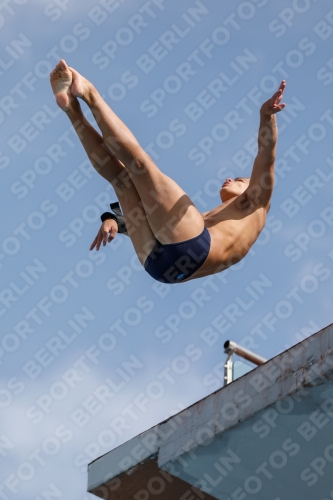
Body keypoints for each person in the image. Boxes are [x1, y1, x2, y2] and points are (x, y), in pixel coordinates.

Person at [50, 60, 286, 284]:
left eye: (239, 179)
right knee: (121, 179)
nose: (230, 178)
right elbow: (156, 225)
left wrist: (266, 117)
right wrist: (115, 221)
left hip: (192, 249)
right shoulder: (213, 220)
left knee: (140, 166)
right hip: (161, 267)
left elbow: (267, 153)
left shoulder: (258, 202)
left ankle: (89, 94)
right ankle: (71, 109)